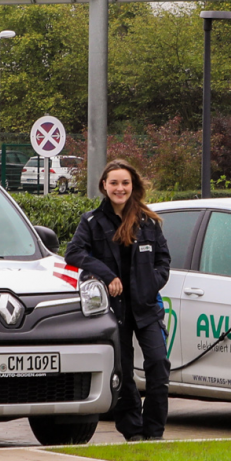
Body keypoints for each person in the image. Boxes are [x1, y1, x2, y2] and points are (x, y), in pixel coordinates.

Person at [66, 159, 173, 442]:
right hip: (115, 311)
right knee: (124, 373)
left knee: (159, 366)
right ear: (104, 186)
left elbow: (164, 262)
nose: (119, 188)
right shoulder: (91, 221)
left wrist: (150, 285)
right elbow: (74, 253)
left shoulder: (148, 222)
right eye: (113, 183)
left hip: (147, 308)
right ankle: (134, 432)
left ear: (132, 185)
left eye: (125, 183)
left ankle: (154, 434)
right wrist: (108, 275)